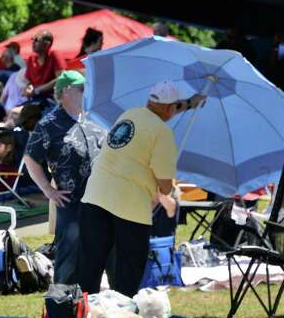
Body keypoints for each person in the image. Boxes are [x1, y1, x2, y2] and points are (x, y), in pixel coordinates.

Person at [76, 80, 205, 296]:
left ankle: (80, 312)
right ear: (169, 108)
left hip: (95, 195)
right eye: (175, 107)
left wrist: (189, 104)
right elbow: (165, 187)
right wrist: (169, 182)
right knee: (130, 264)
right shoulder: (162, 132)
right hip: (129, 206)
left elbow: (167, 108)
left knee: (90, 262)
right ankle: (124, 309)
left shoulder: (130, 114)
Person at [23, 71, 106, 284]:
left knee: (96, 255)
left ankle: (89, 301)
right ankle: (64, 303)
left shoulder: (92, 119)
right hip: (71, 201)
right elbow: (31, 160)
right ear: (67, 92)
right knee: (69, 257)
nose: (87, 93)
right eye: (82, 89)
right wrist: (47, 190)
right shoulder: (49, 124)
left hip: (99, 200)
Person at [22, 30, 61, 103]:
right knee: (14, 112)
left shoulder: (54, 55)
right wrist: (29, 88)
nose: (33, 42)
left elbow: (61, 78)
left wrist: (38, 90)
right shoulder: (31, 59)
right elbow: (29, 82)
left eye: (36, 40)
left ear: (47, 44)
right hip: (36, 99)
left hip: (51, 99)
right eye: (32, 39)